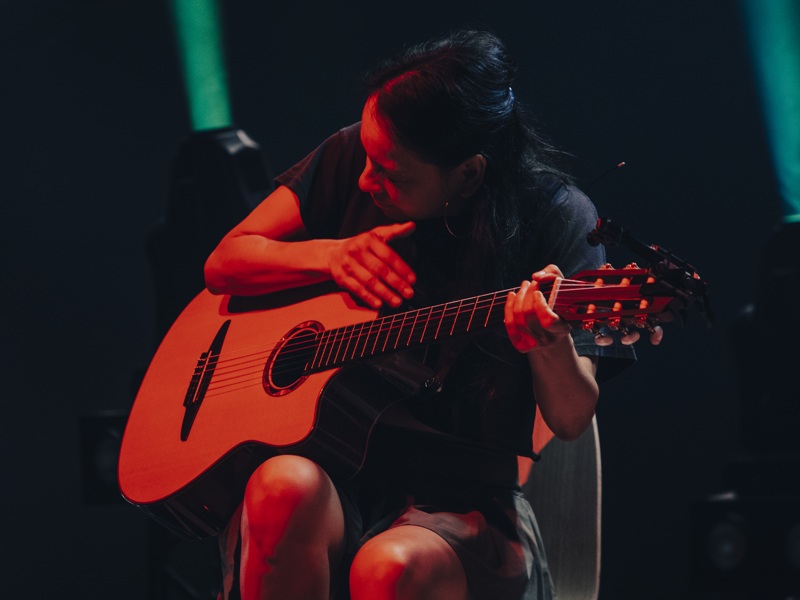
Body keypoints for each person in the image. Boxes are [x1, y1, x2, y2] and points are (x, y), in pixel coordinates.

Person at [204, 29, 650, 600]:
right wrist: (329, 255)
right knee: (277, 485)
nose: (367, 180)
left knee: (388, 568)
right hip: (339, 469)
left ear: (466, 173)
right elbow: (226, 261)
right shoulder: (354, 155)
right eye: (367, 158)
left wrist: (549, 343)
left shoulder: (557, 218)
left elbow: (569, 418)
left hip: (466, 503)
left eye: (392, 173)